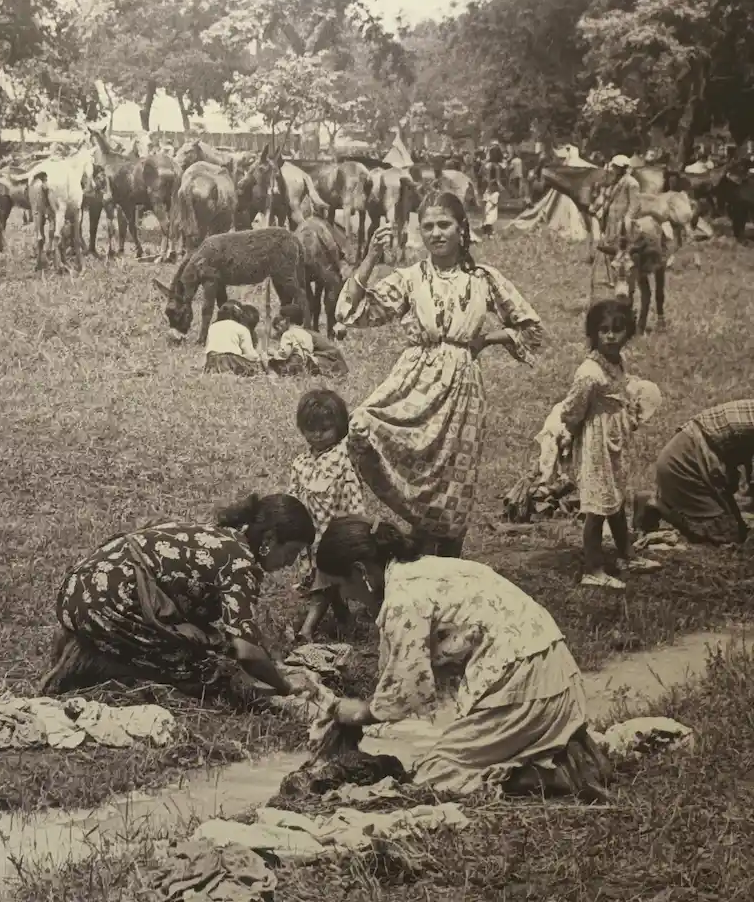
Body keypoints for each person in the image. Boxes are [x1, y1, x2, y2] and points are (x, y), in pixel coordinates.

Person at [316, 516, 611, 799]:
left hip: (524, 683)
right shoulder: (425, 568)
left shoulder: (402, 599)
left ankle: (548, 776)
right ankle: (566, 749)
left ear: (360, 572)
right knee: (456, 744)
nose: (344, 598)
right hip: (554, 669)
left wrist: (360, 712)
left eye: (341, 586)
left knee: (434, 777)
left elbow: (409, 690)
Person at [334, 191, 543, 557]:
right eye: (427, 226)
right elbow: (350, 312)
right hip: (413, 383)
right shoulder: (411, 278)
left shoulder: (484, 279)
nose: (436, 233)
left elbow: (531, 328)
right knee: (363, 426)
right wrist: (370, 258)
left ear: (462, 229)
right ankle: (417, 540)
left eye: (444, 224)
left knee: (452, 482)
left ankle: (447, 563)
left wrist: (489, 339)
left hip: (464, 390)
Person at [40, 493, 317, 697]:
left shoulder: (225, 538)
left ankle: (89, 643)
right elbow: (247, 652)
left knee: (206, 646)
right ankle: (94, 663)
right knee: (199, 673)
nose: (289, 563)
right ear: (269, 540)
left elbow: (239, 632)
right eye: (290, 553)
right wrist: (285, 686)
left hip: (79, 588)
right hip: (104, 602)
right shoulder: (240, 564)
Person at [559, 300, 660, 590]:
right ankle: (593, 568)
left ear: (627, 333)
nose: (611, 336)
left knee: (616, 497)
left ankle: (626, 554)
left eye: (617, 330)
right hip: (596, 442)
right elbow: (572, 410)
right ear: (594, 334)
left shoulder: (616, 362)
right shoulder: (589, 372)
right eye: (604, 330)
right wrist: (570, 434)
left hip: (614, 439)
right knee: (598, 505)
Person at [287, 390, 365, 642]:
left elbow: (353, 497)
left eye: (325, 428)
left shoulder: (343, 458)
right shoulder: (300, 463)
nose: (317, 434)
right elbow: (293, 497)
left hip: (336, 533)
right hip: (311, 536)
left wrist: (356, 530)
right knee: (325, 582)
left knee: (326, 580)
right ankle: (344, 617)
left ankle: (307, 629)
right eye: (310, 428)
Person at [635, 400, 754, 547]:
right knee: (728, 535)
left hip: (691, 453)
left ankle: (662, 504)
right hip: (685, 461)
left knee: (739, 528)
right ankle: (658, 505)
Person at [203, 301, 264, 376]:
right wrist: (261, 359)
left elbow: (207, 350)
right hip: (231, 361)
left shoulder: (212, 327)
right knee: (256, 365)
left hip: (212, 363)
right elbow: (251, 355)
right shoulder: (241, 329)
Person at [268, 303, 318, 376]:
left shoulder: (288, 334)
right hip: (308, 364)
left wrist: (274, 352)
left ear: (287, 320)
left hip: (294, 365)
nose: (280, 323)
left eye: (281, 319)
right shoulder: (307, 334)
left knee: (271, 362)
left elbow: (285, 353)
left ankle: (273, 375)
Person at [481, 160, 501, 236]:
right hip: (488, 207)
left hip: (491, 208)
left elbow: (493, 203)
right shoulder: (488, 191)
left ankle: (489, 232)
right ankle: (487, 231)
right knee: (487, 220)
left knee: (489, 220)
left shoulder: (495, 193)